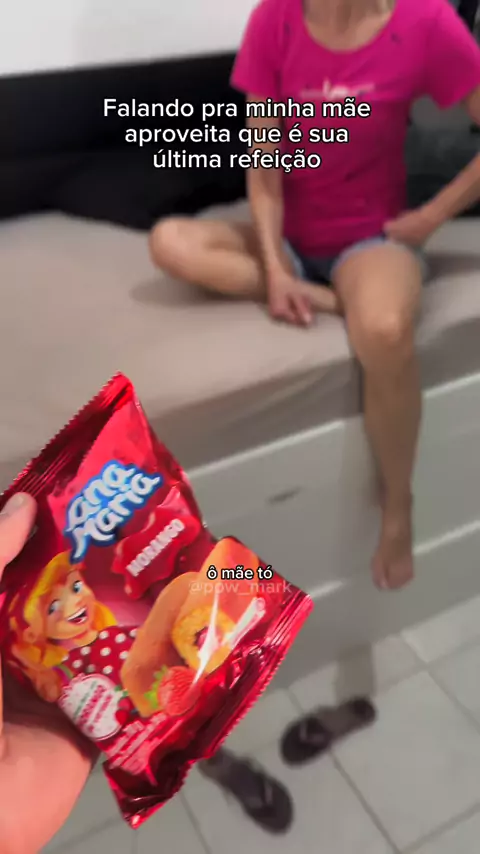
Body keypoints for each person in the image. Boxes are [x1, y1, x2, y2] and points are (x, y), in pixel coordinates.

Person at [150, 0, 480, 591]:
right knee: (170, 242)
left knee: (384, 331)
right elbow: (264, 168)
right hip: (289, 236)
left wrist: (431, 217)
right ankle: (324, 297)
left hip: (370, 241)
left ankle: (397, 505)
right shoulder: (272, 21)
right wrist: (277, 268)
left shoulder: (426, 22)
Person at [0, 493, 294, 852]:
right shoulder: (65, 667)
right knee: (183, 734)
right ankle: (219, 765)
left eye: (75, 587)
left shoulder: (124, 628)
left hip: (172, 676)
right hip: (132, 717)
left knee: (198, 715)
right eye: (53, 607)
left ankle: (220, 764)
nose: (73, 603)